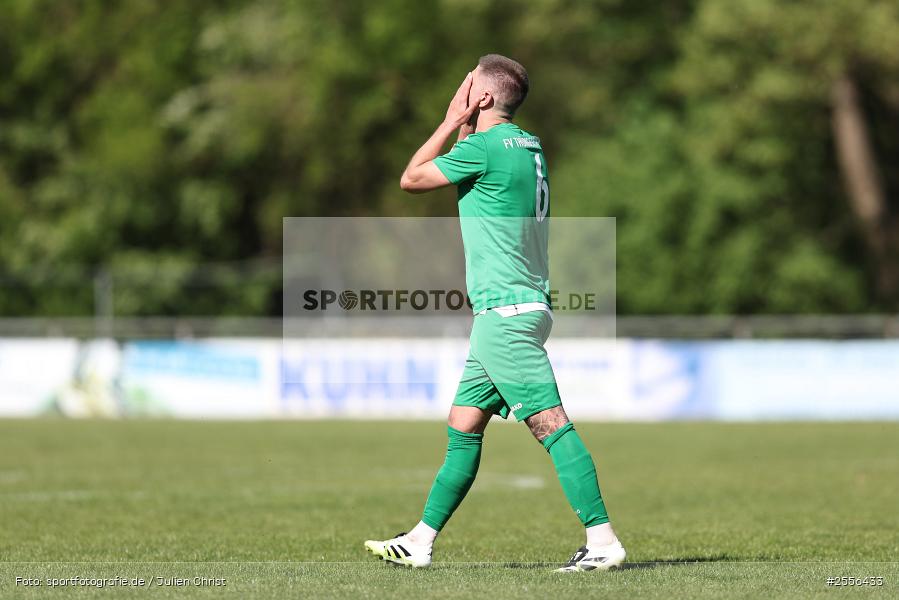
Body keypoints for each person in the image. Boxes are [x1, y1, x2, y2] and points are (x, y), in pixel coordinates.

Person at [364, 54, 625, 573]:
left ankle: (603, 541)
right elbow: (475, 178)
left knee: (551, 425)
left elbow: (411, 179)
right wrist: (468, 126)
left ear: (481, 97)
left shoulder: (481, 148)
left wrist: (448, 121)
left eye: (466, 85)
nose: (460, 91)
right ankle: (420, 540)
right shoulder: (528, 146)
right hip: (517, 308)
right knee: (463, 424)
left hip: (504, 314)